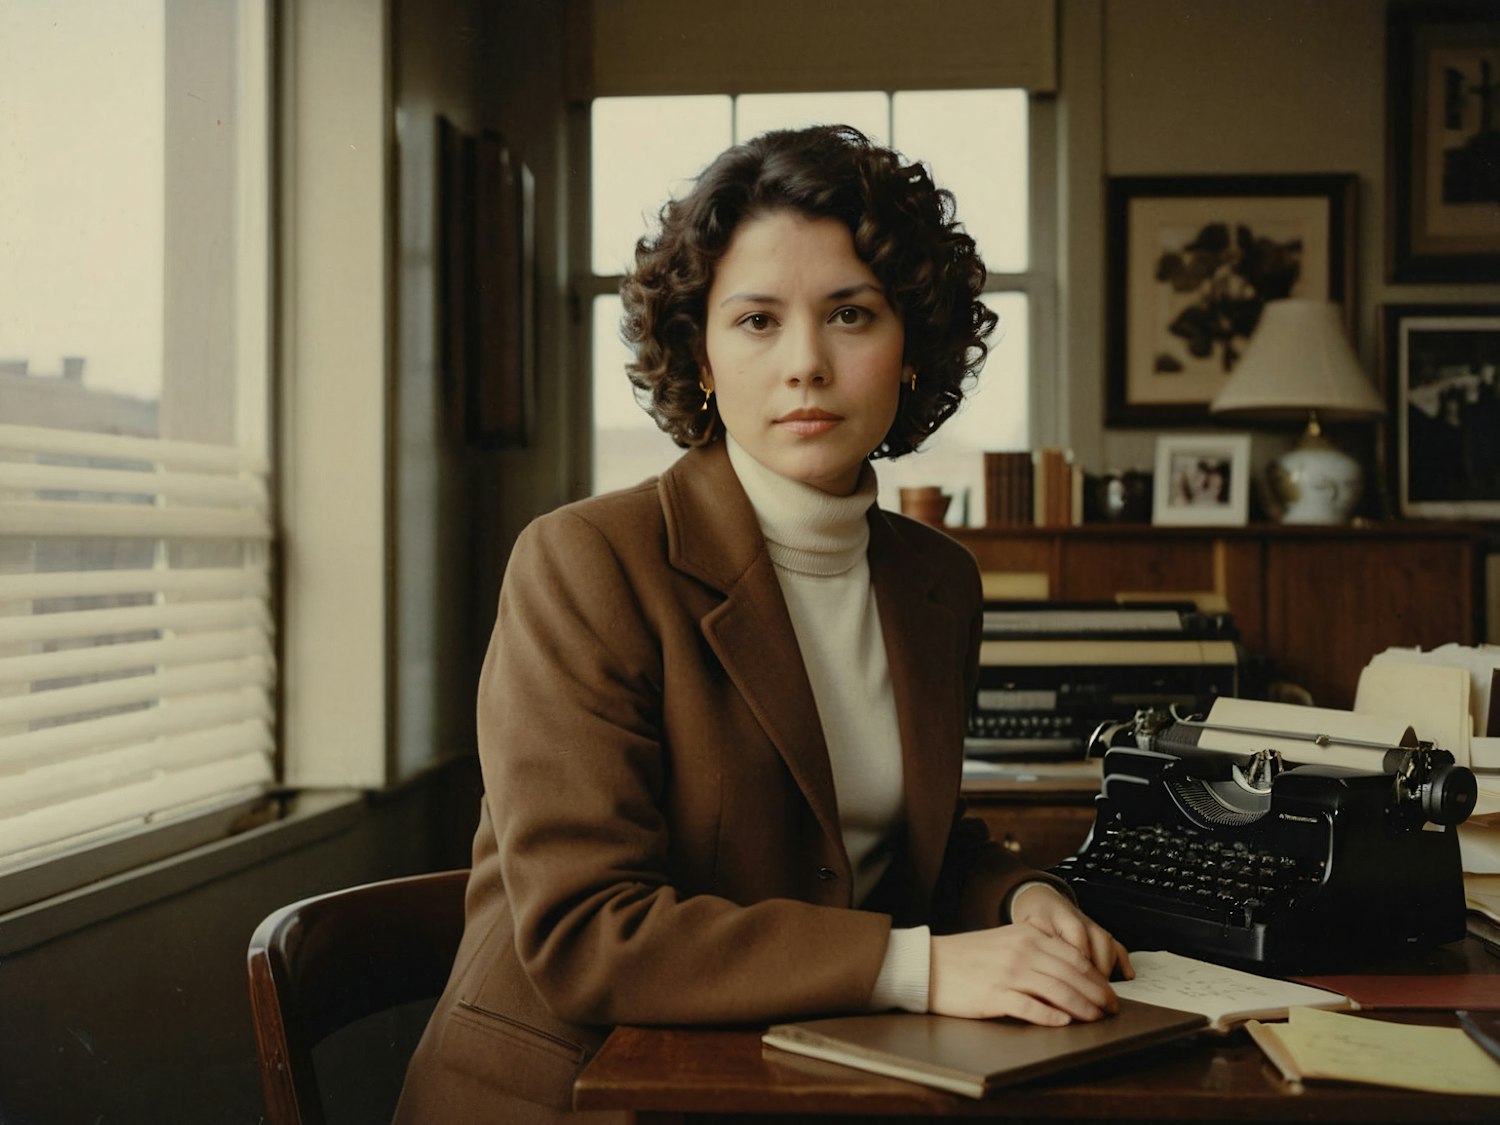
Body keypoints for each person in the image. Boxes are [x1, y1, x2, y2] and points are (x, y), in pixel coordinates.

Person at [395, 124, 1131, 1124]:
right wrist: (919, 967)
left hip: (802, 1074)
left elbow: (887, 846)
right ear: (698, 355)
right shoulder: (585, 563)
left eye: (851, 315)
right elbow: (588, 933)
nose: (806, 365)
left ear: (912, 346)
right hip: (577, 1093)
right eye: (755, 321)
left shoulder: (937, 580)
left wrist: (1020, 899)